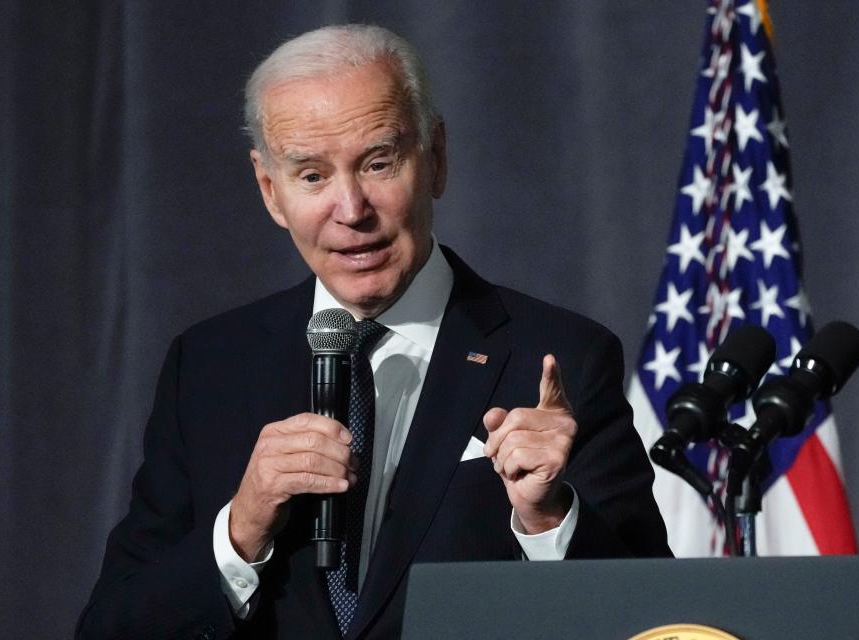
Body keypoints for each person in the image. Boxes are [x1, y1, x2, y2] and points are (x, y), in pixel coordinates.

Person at [77, 23, 670, 640]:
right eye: (311, 176)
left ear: (435, 157)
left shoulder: (562, 357)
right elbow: (111, 629)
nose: (352, 209)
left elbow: (657, 622)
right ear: (270, 191)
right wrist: (241, 529)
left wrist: (549, 520)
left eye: (379, 163)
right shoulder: (207, 367)